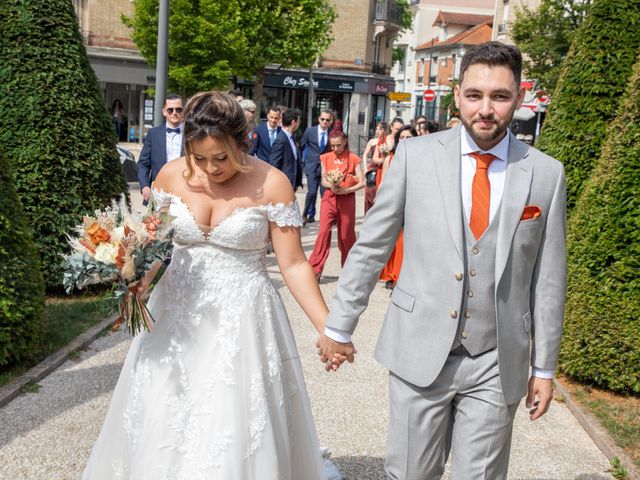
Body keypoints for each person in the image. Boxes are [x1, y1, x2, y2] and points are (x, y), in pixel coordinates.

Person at [318, 41, 567, 479]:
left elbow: (548, 279)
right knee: (411, 472)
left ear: (519, 99)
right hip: (419, 348)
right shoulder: (417, 155)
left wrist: (543, 367)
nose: (485, 109)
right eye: (474, 96)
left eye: (500, 96)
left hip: (497, 357)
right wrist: (339, 326)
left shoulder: (546, 173)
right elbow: (373, 246)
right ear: (458, 96)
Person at [82, 91, 338, 479]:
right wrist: (136, 282)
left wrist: (329, 328)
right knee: (164, 411)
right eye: (198, 158)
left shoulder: (273, 184)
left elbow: (294, 264)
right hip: (175, 316)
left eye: (221, 157)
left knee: (231, 422)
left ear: (244, 141)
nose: (210, 168)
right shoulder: (170, 174)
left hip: (241, 321)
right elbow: (157, 247)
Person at [308, 131, 365, 281]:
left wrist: (347, 190)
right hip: (329, 198)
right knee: (323, 232)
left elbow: (362, 181)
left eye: (338, 145)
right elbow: (324, 180)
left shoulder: (354, 159)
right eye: (332, 145)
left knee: (346, 235)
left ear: (345, 141)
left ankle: (350, 270)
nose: (335, 148)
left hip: (347, 200)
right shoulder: (325, 157)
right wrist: (332, 186)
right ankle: (315, 269)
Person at [378, 125, 417, 289]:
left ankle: (401, 276)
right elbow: (383, 184)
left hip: (413, 203)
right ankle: (393, 275)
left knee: (406, 242)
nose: (405, 141)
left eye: (409, 138)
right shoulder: (390, 158)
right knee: (394, 241)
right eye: (402, 138)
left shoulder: (421, 158)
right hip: (394, 203)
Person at [137, 94, 184, 205]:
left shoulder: (193, 135)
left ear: (184, 111)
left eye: (178, 109)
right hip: (158, 191)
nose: (174, 112)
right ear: (164, 112)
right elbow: (143, 164)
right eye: (170, 110)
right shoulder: (153, 134)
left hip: (185, 192)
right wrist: (145, 186)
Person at [300, 111, 333, 225]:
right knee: (312, 192)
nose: (325, 122)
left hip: (326, 169)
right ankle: (306, 214)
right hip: (312, 166)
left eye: (327, 120)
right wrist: (302, 163)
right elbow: (301, 146)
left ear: (330, 122)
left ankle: (325, 217)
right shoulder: (310, 131)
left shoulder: (332, 134)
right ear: (319, 119)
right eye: (323, 119)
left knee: (325, 194)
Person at [269, 108, 303, 191]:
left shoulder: (292, 137)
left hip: (292, 183)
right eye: (298, 121)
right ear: (293, 122)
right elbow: (274, 164)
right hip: (282, 185)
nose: (299, 124)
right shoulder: (281, 139)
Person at [361, 122, 387, 214]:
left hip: (383, 168)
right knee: (369, 191)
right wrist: (365, 168)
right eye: (377, 129)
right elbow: (365, 154)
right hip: (372, 168)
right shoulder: (372, 141)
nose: (378, 131)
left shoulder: (387, 141)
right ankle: (367, 214)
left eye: (380, 129)